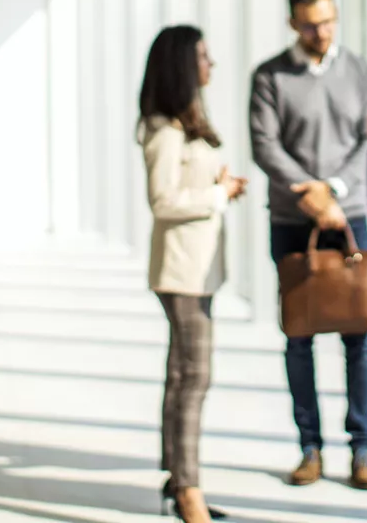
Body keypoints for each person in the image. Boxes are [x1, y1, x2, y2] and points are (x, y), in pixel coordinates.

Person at [249, 0, 367, 490]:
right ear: (292, 24)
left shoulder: (360, 71)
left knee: (359, 337)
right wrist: (309, 193)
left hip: (351, 218)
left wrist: (335, 190)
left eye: (327, 21)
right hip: (291, 220)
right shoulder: (270, 76)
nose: (320, 32)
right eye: (309, 24)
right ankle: (310, 449)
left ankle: (362, 450)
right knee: (298, 337)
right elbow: (265, 144)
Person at [138, 26, 248, 523]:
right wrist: (217, 196)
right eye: (204, 56)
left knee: (181, 375)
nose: (212, 64)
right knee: (194, 377)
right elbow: (162, 201)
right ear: (183, 64)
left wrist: (219, 183)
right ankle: (187, 491)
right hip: (182, 272)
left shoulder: (185, 123)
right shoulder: (163, 129)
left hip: (195, 269)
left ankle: (177, 479)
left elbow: (186, 184)